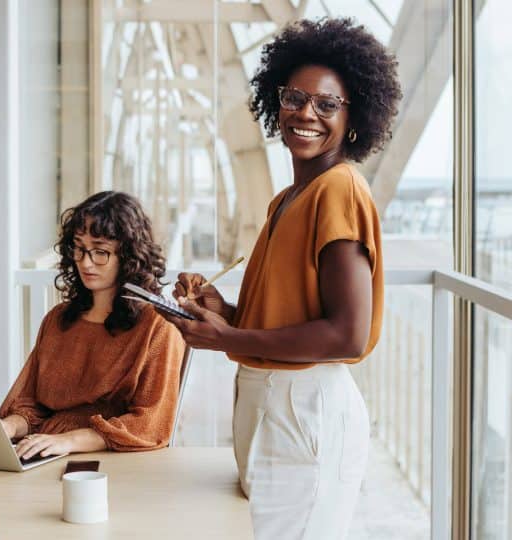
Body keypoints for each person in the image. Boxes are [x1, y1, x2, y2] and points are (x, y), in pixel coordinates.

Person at [165, 18, 402, 540]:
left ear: (354, 118)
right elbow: (286, 315)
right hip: (271, 404)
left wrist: (228, 339)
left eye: (326, 104)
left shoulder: (338, 189)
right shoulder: (289, 199)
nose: (306, 114)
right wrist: (222, 310)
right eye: (295, 98)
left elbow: (347, 333)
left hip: (305, 408)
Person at [0, 191, 185, 460]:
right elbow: (30, 405)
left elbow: (150, 423)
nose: (86, 262)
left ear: (129, 256)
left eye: (100, 252)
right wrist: (7, 427)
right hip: (44, 451)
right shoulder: (57, 319)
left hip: (112, 461)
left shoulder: (158, 328)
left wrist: (69, 441)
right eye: (79, 248)